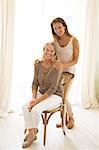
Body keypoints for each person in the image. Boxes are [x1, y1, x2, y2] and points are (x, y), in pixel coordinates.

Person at [22, 42, 63, 148]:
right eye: (47, 50)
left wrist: (36, 102)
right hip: (42, 93)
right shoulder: (38, 64)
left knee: (35, 109)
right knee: (25, 106)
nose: (49, 53)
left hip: (55, 95)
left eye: (51, 51)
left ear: (54, 53)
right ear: (43, 50)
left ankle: (31, 134)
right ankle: (32, 132)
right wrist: (33, 98)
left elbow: (53, 89)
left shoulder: (57, 66)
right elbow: (35, 83)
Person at [50, 17, 79, 129]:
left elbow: (75, 60)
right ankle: (63, 120)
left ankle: (71, 118)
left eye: (59, 27)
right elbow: (53, 56)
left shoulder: (74, 40)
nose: (57, 30)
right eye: (55, 28)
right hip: (58, 73)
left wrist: (63, 66)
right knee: (59, 96)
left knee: (63, 96)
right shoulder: (54, 42)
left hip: (70, 72)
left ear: (64, 27)